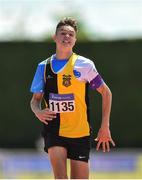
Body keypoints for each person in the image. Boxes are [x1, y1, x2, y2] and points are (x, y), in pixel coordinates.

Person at [30, 17, 115, 179]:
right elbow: (35, 100)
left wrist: (105, 126)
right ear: (55, 37)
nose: (67, 36)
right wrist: (38, 111)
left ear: (75, 40)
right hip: (54, 131)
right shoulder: (43, 67)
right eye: (63, 33)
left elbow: (106, 92)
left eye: (71, 34)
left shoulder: (85, 65)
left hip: (80, 132)